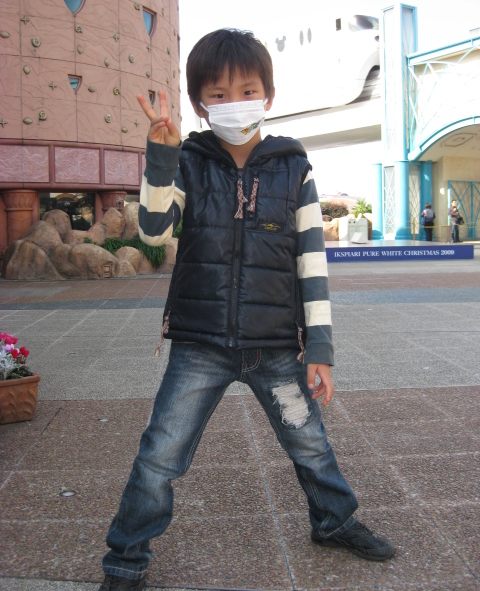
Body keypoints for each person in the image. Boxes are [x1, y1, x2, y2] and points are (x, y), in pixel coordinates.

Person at [98, 29, 395, 591]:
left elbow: (311, 264)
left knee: (310, 442)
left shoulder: (294, 167)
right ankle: (125, 560)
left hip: (276, 345)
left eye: (247, 90)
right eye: (219, 93)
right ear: (199, 104)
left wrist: (320, 348)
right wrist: (161, 155)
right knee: (160, 456)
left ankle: (335, 522)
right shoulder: (188, 161)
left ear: (268, 95)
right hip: (199, 345)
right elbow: (153, 232)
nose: (234, 102)